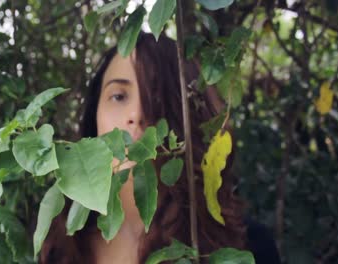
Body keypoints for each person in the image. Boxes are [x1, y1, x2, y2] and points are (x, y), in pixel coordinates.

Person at [41, 32, 280, 264]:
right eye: (119, 96)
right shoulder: (60, 245)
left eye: (155, 96)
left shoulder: (245, 247)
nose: (136, 115)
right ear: (94, 117)